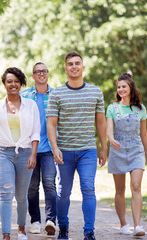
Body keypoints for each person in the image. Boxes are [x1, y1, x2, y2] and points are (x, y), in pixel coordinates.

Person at [46, 52, 108, 240]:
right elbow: (51, 123)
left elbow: (101, 122)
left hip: (87, 150)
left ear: (83, 67)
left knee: (88, 188)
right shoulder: (56, 93)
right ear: (66, 68)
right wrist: (55, 147)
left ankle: (89, 231)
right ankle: (63, 227)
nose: (74, 66)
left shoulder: (96, 92)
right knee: (64, 192)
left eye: (77, 63)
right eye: (70, 64)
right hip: (64, 151)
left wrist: (104, 147)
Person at [0, 67, 41, 240]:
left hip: (25, 153)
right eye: (9, 81)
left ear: (21, 83)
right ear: (4, 84)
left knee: (21, 196)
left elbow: (35, 133)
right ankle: (6, 234)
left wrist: (33, 155)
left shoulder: (30, 105)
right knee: (6, 194)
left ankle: (22, 230)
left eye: (16, 81)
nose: (13, 84)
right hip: (3, 154)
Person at [106, 72, 147, 236]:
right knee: (119, 190)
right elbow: (109, 130)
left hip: (136, 151)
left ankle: (138, 226)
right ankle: (123, 224)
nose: (120, 89)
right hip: (117, 151)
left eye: (123, 86)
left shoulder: (140, 109)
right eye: (118, 87)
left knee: (136, 186)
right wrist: (111, 139)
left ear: (131, 88)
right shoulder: (112, 108)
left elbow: (144, 134)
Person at [20, 62, 57, 235]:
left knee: (49, 184)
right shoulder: (24, 96)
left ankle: (51, 220)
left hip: (50, 147)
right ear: (33, 75)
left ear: (48, 74)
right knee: (32, 187)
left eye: (44, 71)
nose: (41, 74)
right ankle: (35, 220)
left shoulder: (56, 95)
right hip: (30, 148)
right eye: (38, 72)